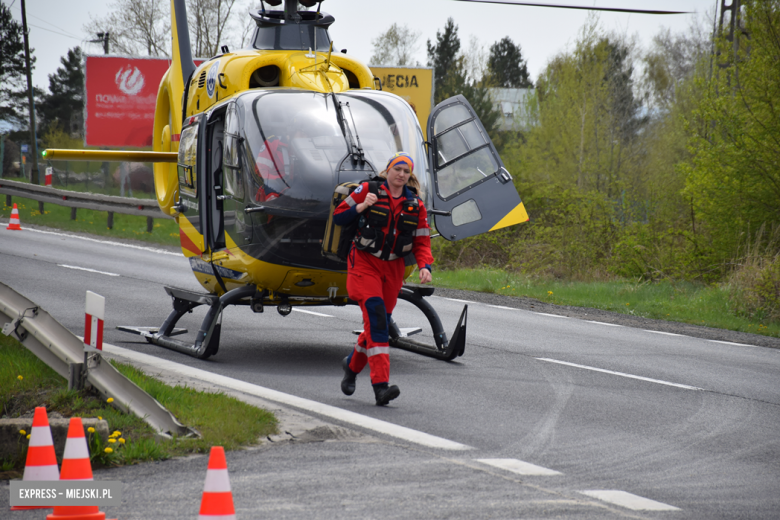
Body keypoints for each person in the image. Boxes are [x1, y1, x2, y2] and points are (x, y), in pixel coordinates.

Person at [333, 152, 434, 406]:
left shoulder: (416, 205)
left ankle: (352, 366)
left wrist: (425, 266)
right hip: (364, 263)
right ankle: (381, 387)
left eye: (405, 171)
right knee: (378, 319)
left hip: (392, 269)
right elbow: (339, 216)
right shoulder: (368, 189)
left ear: (409, 176)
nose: (401, 174)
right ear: (387, 170)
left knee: (377, 323)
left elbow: (421, 241)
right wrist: (361, 206)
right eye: (397, 169)